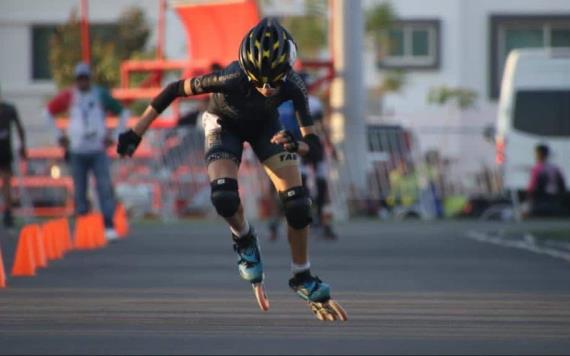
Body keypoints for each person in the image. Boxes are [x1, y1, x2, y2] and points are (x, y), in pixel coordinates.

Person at [117, 18, 347, 321]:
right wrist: (137, 131)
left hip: (267, 128)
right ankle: (244, 238)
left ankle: (302, 276)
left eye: (273, 82)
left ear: (286, 72)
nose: (266, 88)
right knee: (224, 197)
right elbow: (173, 90)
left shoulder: (294, 86)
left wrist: (296, 145)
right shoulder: (231, 78)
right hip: (224, 125)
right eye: (259, 80)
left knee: (298, 203)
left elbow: (314, 148)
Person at [44, 63, 130, 241]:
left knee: (104, 187)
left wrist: (114, 136)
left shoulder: (99, 94)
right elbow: (47, 112)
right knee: (79, 189)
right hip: (77, 150)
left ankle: (108, 224)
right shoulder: (70, 95)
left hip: (97, 149)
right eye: (80, 79)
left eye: (85, 78)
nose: (82, 82)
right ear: (76, 80)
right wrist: (59, 136)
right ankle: (83, 226)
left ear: (89, 79)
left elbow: (123, 112)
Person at [269, 73, 338, 240]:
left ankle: (320, 220)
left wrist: (330, 146)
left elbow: (321, 127)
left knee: (320, 184)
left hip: (312, 147)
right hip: (297, 147)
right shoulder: (286, 102)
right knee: (294, 187)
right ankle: (282, 222)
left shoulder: (312, 103)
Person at [0, 85, 27, 229]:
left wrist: (23, 146)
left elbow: (19, 127)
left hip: (4, 151)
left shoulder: (8, 110)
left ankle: (8, 212)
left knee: (6, 182)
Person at [526, 144, 567, 217]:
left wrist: (529, 200)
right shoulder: (555, 168)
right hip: (555, 202)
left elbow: (532, 188)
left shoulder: (537, 169)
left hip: (539, 202)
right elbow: (562, 186)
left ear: (539, 154)